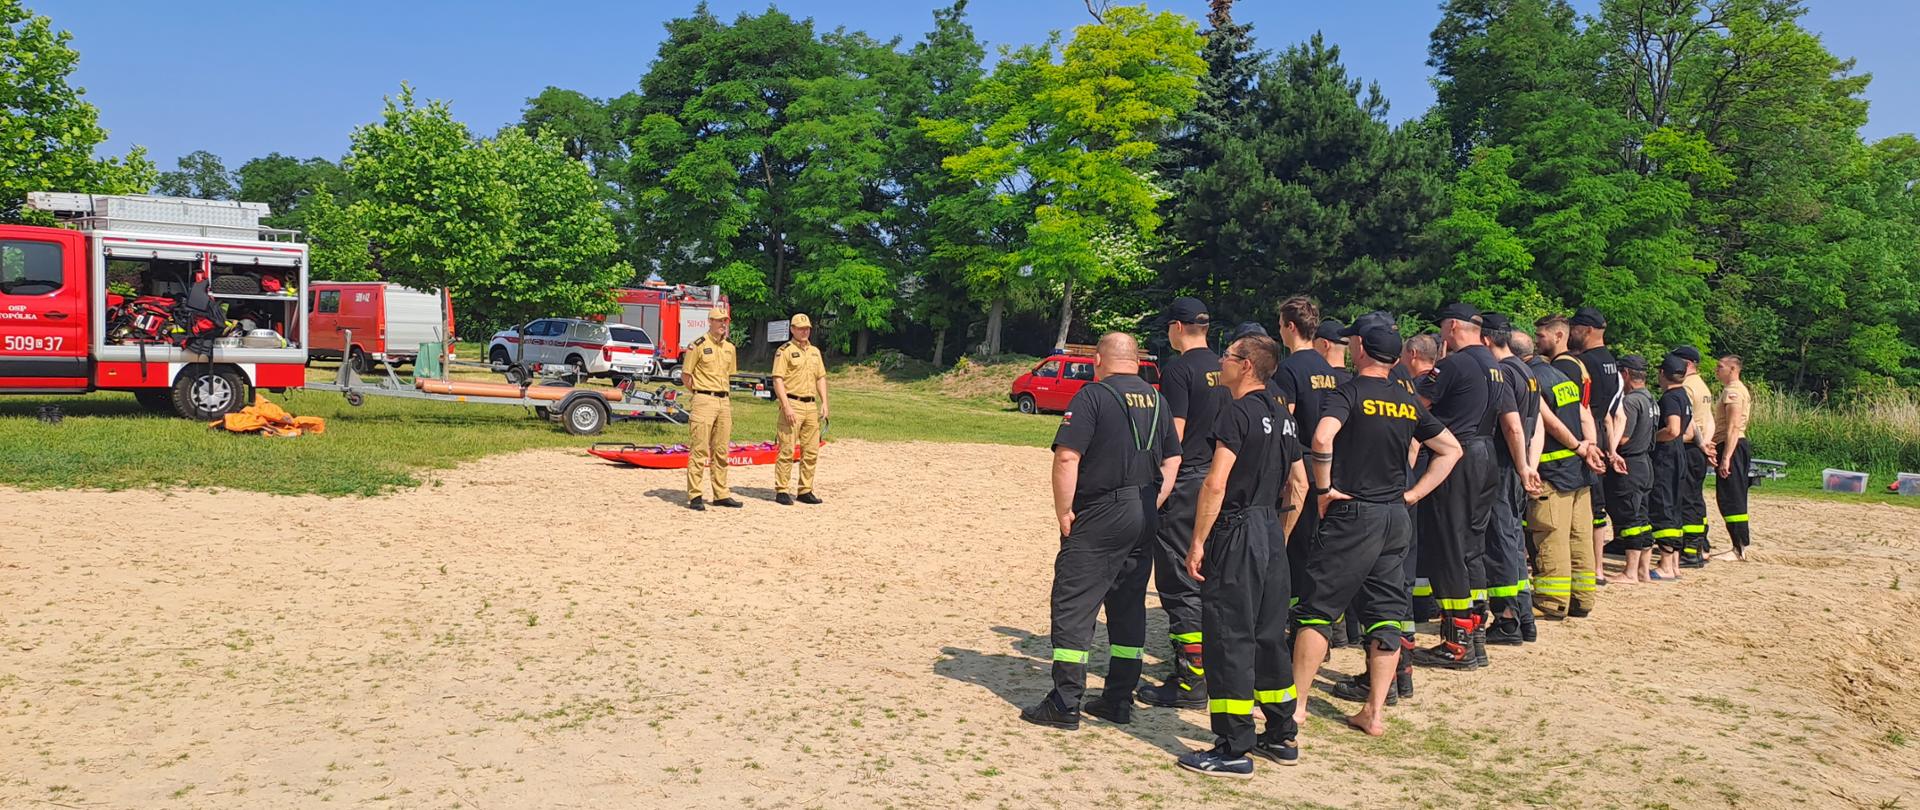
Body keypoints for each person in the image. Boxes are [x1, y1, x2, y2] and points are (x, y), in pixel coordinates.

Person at [1294, 319, 1461, 738]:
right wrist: (1413, 494)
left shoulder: (1347, 392)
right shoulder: (1407, 400)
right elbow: (1450, 449)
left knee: (1317, 608)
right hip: (1395, 517)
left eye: (1353, 340)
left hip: (1354, 514)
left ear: (1362, 348)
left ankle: (1294, 706)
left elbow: (1322, 437)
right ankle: (1374, 713)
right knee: (1386, 614)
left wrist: (1323, 488)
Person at [1024, 333, 1181, 730]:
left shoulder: (1092, 397)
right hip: (1144, 508)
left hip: (1101, 510)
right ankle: (1118, 699)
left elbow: (1067, 457)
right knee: (1127, 607)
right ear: (1135, 360)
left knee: (1074, 604)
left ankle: (1065, 701)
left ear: (1099, 360)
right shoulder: (1158, 400)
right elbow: (1174, 458)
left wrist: (1064, 511)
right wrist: (1153, 501)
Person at [1175, 335, 1305, 777]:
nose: (1221, 363)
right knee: (1270, 634)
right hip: (1270, 527)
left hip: (1237, 528)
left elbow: (1216, 483)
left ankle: (1232, 746)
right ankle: (1281, 733)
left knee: (1229, 635)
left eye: (1227, 357)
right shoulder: (1282, 414)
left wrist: (1197, 542)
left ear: (1247, 366)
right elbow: (1298, 485)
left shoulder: (1237, 412)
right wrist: (1278, 537)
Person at [1409, 303, 1518, 670]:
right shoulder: (1494, 366)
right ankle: (1476, 634)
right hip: (1486, 455)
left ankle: (1456, 644)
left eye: (1442, 327)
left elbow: (1417, 408)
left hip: (1457, 455)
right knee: (1472, 547)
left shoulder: (1454, 364)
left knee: (1450, 548)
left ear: (1453, 325)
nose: (1441, 334)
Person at [1140, 297, 1220, 709]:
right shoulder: (1229, 366)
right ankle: (1214, 669)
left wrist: (1156, 488)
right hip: (1221, 483)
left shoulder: (1179, 370)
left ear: (1176, 328)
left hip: (1187, 482)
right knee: (1211, 580)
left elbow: (1173, 434)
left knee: (1179, 582)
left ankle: (1190, 681)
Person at [1271, 297, 1343, 626]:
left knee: (1293, 548)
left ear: (1290, 326)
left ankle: (1293, 621)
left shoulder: (1288, 370)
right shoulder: (1327, 369)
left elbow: (1285, 425)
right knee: (1317, 548)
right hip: (1326, 467)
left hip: (1299, 467)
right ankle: (1319, 620)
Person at [1528, 316, 1605, 618]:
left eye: (1541, 335)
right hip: (1579, 470)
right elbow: (1585, 413)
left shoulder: (1545, 375)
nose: (1538, 340)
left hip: (1555, 470)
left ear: (1558, 335)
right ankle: (1582, 598)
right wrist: (1590, 446)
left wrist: (1577, 445)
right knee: (1580, 536)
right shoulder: (1568, 374)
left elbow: (1548, 420)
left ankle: (1551, 600)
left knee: (1552, 535)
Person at [1479, 314, 1543, 645]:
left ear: (1487, 340)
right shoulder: (1526, 369)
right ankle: (1525, 614)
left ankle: (1506, 619)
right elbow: (1537, 424)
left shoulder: (1502, 373)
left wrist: (1520, 465)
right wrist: (1529, 464)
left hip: (1504, 465)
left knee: (1499, 539)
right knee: (1514, 539)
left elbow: (1512, 425)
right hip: (1518, 465)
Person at [1568, 307, 1625, 587]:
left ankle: (1586, 565)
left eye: (1574, 328)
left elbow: (1580, 405)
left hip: (1584, 434)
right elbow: (1616, 410)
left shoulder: (1583, 363)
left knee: (1582, 502)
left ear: (1587, 330)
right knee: (1598, 505)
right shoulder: (1613, 364)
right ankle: (1599, 568)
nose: (1570, 333)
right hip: (1602, 431)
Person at [682, 304, 743, 511]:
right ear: (710, 322)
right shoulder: (697, 345)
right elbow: (686, 376)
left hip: (724, 401)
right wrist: (699, 393)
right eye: (719, 321)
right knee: (699, 449)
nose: (723, 324)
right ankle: (696, 495)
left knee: (721, 450)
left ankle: (721, 493)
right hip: (704, 400)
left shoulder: (730, 348)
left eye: (725, 321)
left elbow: (729, 374)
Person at [772, 313, 830, 505]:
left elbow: (820, 377)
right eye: (800, 328)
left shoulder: (814, 352)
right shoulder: (785, 351)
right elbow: (778, 379)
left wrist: (825, 403)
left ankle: (805, 489)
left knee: (811, 450)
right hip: (793, 403)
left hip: (810, 405)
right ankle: (782, 489)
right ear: (792, 329)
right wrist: (786, 405)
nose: (804, 331)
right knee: (787, 448)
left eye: (807, 328)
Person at [1612, 355, 1658, 583]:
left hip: (1630, 463)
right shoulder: (1651, 399)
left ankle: (1629, 571)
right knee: (1643, 517)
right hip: (1646, 464)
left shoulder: (1630, 402)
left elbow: (1623, 437)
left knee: (1629, 519)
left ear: (1626, 374)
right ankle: (1643, 570)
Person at [1649, 355, 1694, 581]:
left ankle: (1666, 564)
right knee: (1675, 506)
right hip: (1679, 455)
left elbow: (1673, 429)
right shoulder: (1684, 396)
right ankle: (1674, 563)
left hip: (1666, 457)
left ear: (1663, 373)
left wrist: (1651, 438)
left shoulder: (1669, 398)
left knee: (1663, 505)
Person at [1671, 346, 1717, 567]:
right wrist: (1706, 444)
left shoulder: (1687, 387)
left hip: (1688, 447)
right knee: (1696, 498)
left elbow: (1687, 421)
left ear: (1687, 363)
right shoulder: (1703, 386)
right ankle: (1701, 546)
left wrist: (1698, 442)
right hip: (1698, 449)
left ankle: (1689, 551)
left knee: (1687, 500)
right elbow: (1709, 420)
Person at [1713, 355, 1755, 560]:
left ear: (1733, 369)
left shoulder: (1734, 392)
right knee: (1729, 495)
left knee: (1732, 496)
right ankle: (1738, 545)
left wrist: (1726, 457)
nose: (1716, 370)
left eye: (1720, 367)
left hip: (1733, 446)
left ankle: (1738, 547)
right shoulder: (1733, 390)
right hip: (1732, 445)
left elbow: (1733, 426)